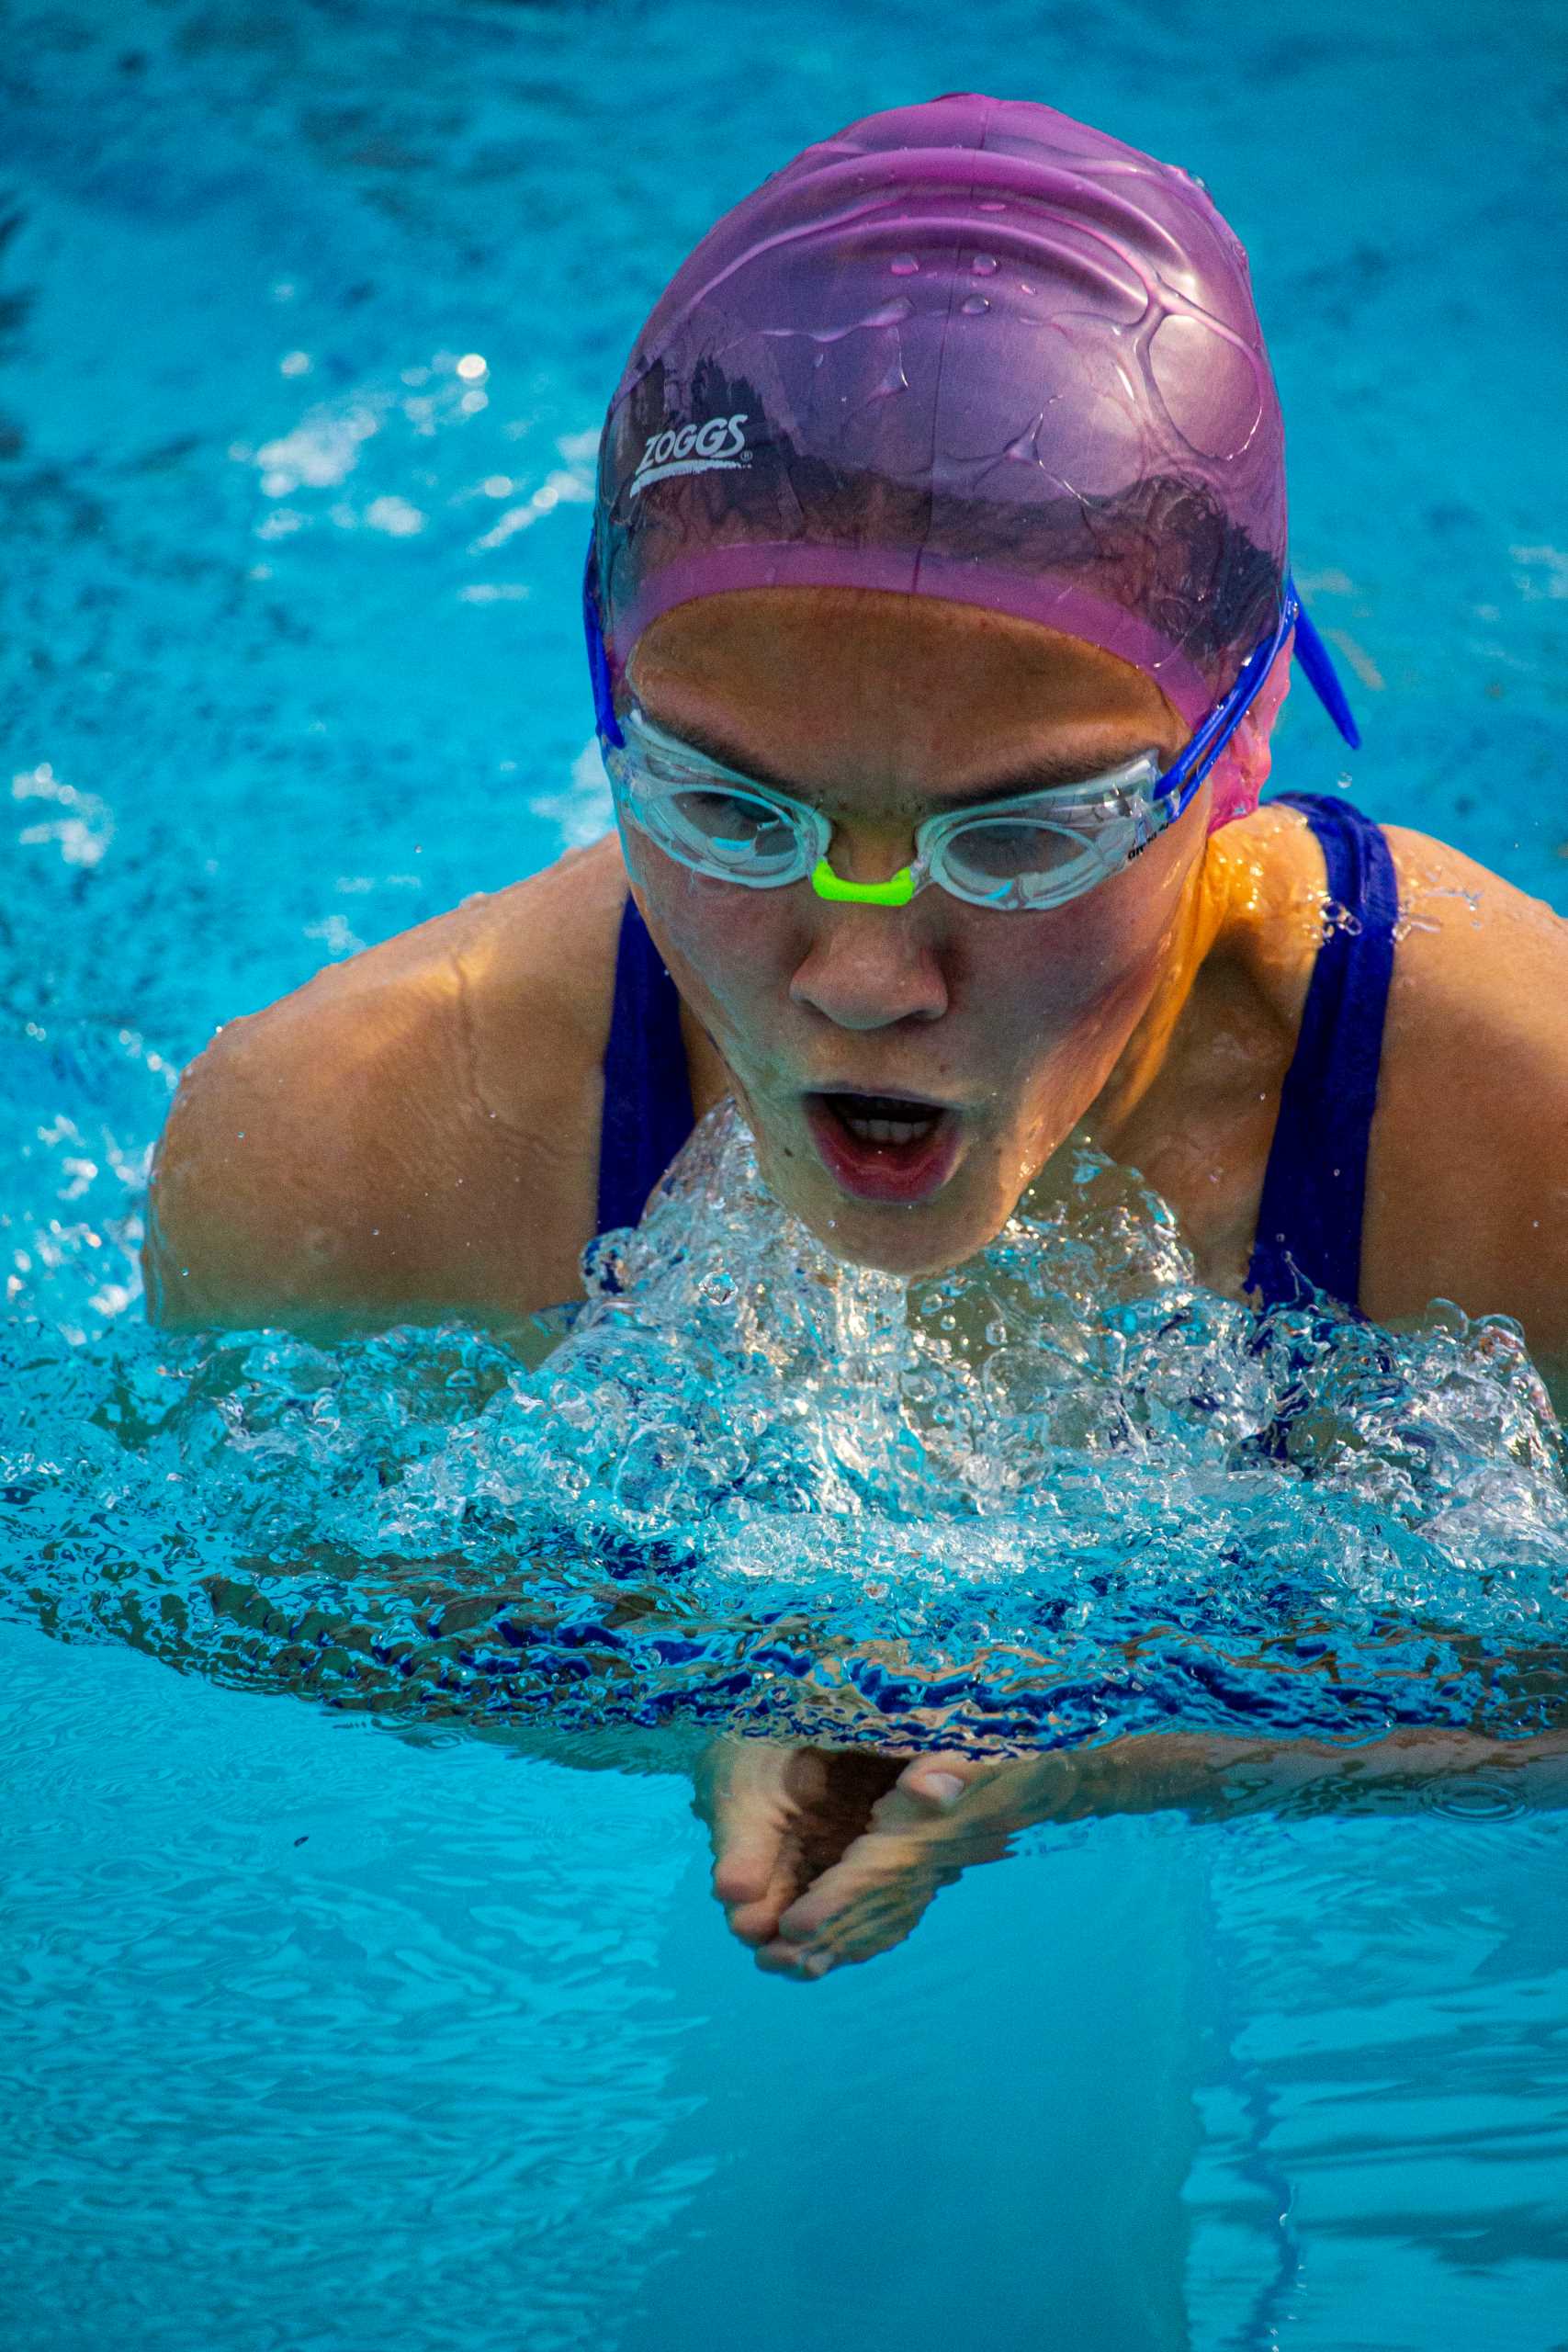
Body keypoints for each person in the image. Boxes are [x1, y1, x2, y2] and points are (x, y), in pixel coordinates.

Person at [144, 95, 1568, 1975]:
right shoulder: (338, 1154)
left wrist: (1131, 1749)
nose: (867, 973)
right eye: (729, 808)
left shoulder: (1510, 1132)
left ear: (1232, 754)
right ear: (608, 716)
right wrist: (686, 1700)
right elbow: (250, 1661)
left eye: (1023, 833)